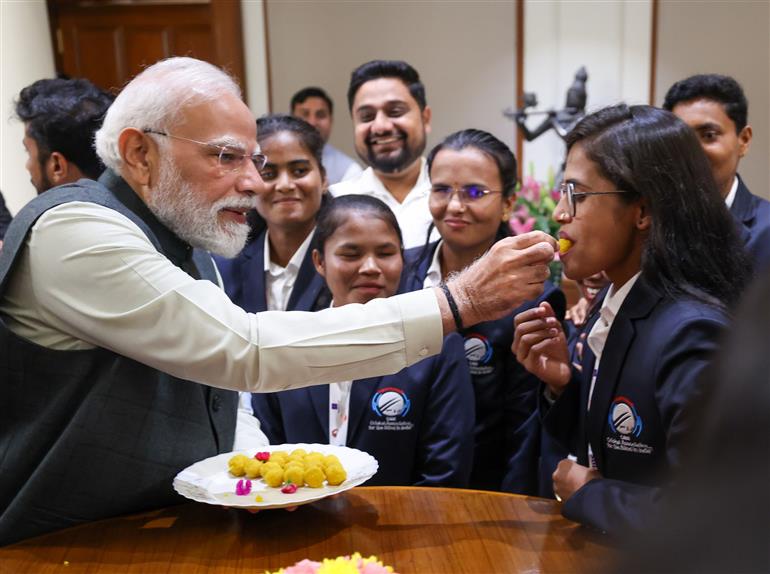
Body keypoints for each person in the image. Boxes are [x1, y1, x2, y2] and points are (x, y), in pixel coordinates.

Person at [0, 56, 556, 544]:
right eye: (226, 157)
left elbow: (227, 391)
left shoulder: (187, 248)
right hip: (60, 544)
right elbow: (246, 349)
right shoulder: (75, 230)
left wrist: (262, 476)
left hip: (162, 533)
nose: (256, 183)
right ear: (139, 154)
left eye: (253, 160)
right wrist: (456, 302)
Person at [512, 104, 751, 536]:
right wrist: (565, 385)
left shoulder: (692, 331)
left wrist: (590, 494)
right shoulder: (622, 297)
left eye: (577, 195)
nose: (561, 214)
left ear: (643, 211)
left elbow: (718, 513)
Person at [253, 195, 475, 487]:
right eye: (350, 254)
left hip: (400, 524)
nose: (370, 266)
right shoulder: (288, 339)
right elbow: (268, 451)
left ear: (403, 258)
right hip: (300, 523)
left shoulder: (438, 346)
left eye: (385, 253)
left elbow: (445, 469)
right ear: (319, 261)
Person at [400, 129, 566, 492]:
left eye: (475, 192)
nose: (455, 206)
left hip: (483, 487)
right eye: (442, 189)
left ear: (508, 203)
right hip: (396, 477)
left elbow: (525, 423)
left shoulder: (532, 297)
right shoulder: (398, 272)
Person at [214, 114, 331, 315]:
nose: (285, 185)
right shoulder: (224, 265)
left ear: (324, 179)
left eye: (300, 171)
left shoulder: (348, 259)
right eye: (268, 174)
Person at [663, 73, 770, 271]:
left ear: (744, 140)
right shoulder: (652, 224)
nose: (692, 151)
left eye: (708, 135)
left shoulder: (766, 231)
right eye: (681, 138)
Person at [330, 60, 437, 249]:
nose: (381, 127)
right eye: (367, 117)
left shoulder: (454, 200)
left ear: (425, 118)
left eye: (395, 112)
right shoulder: (334, 202)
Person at [15, 77, 114, 194]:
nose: (28, 166)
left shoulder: (39, 212)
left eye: (28, 152)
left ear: (57, 166)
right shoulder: (132, 205)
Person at [290, 87, 362, 185]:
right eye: (305, 114)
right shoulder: (269, 161)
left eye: (320, 115)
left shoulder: (350, 171)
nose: (312, 122)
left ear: (331, 121)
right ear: (291, 121)